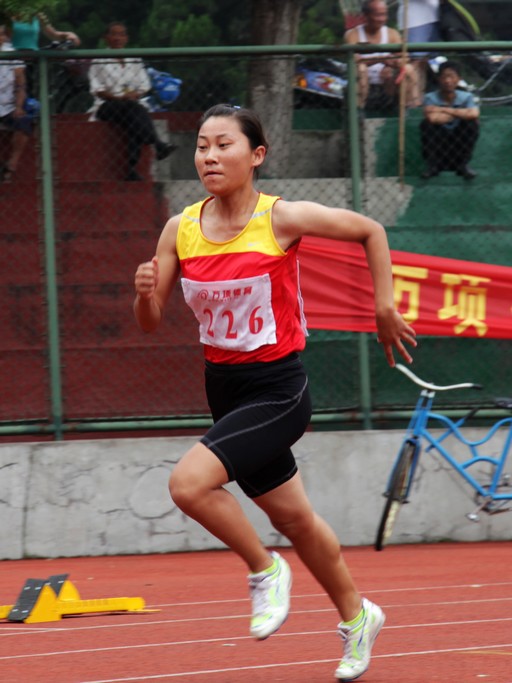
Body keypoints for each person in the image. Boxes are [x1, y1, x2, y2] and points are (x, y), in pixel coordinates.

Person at [134, 103, 417, 681]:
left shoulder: (281, 218)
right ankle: (358, 617)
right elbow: (150, 321)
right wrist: (143, 294)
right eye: (202, 146)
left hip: (278, 389)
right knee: (298, 521)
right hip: (224, 390)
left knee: (188, 484)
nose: (210, 156)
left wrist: (384, 305)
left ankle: (265, 571)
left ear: (256, 155)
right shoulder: (179, 229)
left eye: (224, 145)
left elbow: (371, 230)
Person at [88, 22, 176, 182]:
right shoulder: (98, 60)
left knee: (132, 118)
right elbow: (97, 89)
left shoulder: (134, 58)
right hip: (107, 105)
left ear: (126, 38)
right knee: (133, 110)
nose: (117, 38)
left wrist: (135, 94)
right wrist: (119, 98)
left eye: (121, 34)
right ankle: (157, 144)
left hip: (132, 104)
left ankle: (132, 169)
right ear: (106, 37)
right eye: (114, 34)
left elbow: (145, 85)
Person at [344, 0, 420, 110]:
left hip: (388, 84)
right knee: (360, 69)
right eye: (378, 15)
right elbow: (354, 60)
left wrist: (393, 63)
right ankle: (357, 111)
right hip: (363, 81)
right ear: (366, 15)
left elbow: (404, 58)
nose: (382, 19)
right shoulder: (353, 34)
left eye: (384, 14)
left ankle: (408, 109)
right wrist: (381, 59)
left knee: (408, 69)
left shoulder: (392, 34)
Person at [420, 60, 479, 180]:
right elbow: (433, 118)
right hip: (439, 137)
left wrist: (442, 109)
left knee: (472, 124)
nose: (447, 81)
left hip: (459, 137)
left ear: (459, 79)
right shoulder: (430, 97)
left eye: (451, 76)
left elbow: (474, 113)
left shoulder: (466, 96)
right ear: (439, 79)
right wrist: (460, 113)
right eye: (444, 77)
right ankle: (433, 166)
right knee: (426, 124)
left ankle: (463, 165)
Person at [0, 24, 33, 183]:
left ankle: (12, 164)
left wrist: (19, 106)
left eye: (1, 34)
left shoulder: (12, 54)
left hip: (9, 105)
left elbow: (21, 85)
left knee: (24, 119)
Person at [10, 12, 80, 49]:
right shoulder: (7, 14)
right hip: (10, 60)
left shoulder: (37, 15)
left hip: (32, 59)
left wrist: (68, 35)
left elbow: (53, 34)